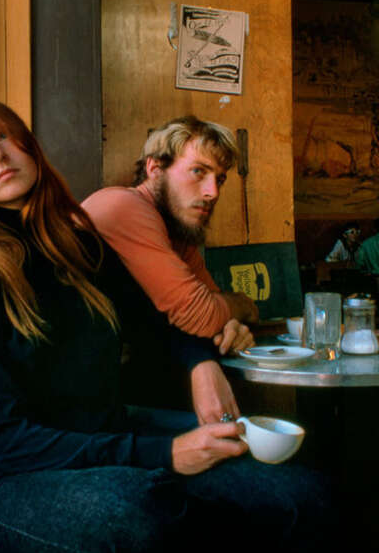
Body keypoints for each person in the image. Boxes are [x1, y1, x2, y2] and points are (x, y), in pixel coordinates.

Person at [0, 96, 345, 553]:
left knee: (298, 486)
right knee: (140, 523)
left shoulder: (80, 244)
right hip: (12, 481)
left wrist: (201, 367)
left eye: (3, 135)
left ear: (28, 144)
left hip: (107, 433)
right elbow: (3, 441)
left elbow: (159, 321)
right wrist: (166, 455)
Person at [82, 116, 257, 416]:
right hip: (60, 410)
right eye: (198, 172)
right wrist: (243, 304)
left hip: (116, 389)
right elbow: (202, 315)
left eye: (220, 178)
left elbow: (213, 315)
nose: (212, 192)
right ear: (155, 168)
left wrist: (232, 326)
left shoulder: (179, 233)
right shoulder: (124, 205)